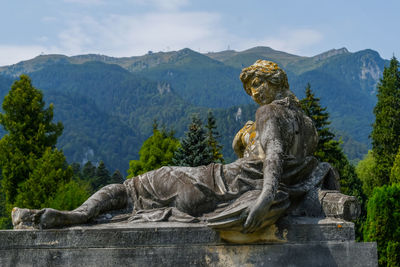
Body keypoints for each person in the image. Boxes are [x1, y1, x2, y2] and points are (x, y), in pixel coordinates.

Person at [12, 60, 337, 232]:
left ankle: (77, 216)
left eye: (258, 83)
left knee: (133, 188)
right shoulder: (307, 125)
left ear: (275, 80)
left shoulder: (268, 113)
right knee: (136, 198)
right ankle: (77, 215)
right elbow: (285, 160)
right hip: (232, 187)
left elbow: (275, 154)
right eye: (251, 88)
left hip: (217, 182)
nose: (254, 93)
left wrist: (265, 199)